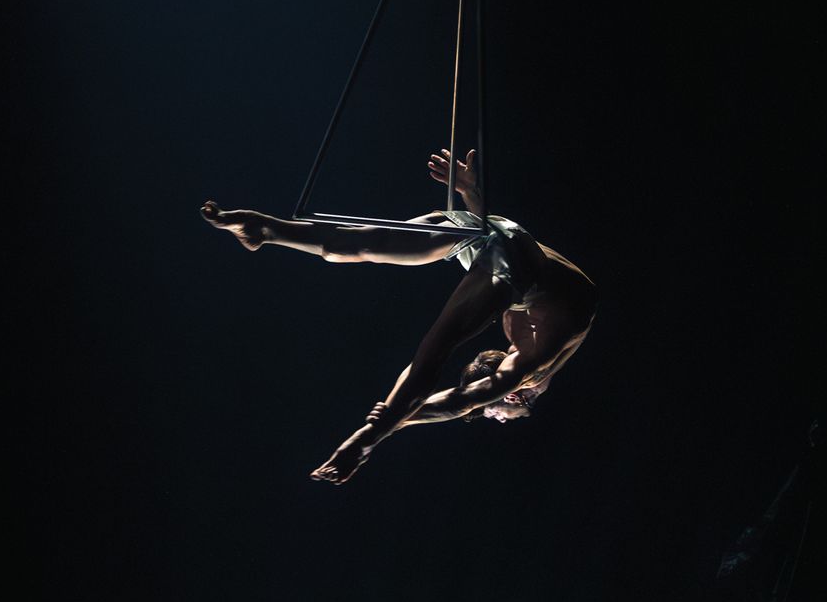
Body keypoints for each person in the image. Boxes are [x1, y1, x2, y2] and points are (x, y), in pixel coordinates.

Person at [201, 147, 597, 484]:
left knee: (351, 248)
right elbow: (464, 401)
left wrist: (471, 195)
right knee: (434, 349)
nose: (500, 416)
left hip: (488, 234)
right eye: (504, 414)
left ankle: (266, 229)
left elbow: (504, 237)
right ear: (516, 394)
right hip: (507, 257)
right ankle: (366, 438)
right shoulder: (539, 356)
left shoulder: (526, 328)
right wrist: (382, 428)